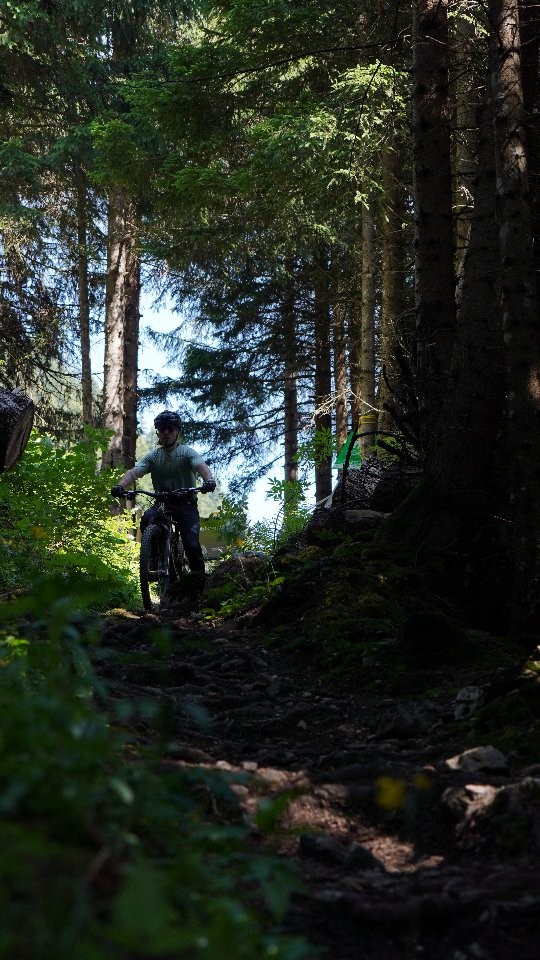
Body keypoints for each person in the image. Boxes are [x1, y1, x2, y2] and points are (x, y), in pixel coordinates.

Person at [110, 410, 216, 579]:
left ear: (177, 431)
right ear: (158, 432)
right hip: (162, 503)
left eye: (170, 428)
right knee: (146, 519)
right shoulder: (154, 457)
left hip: (186, 504)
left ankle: (200, 581)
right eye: (161, 429)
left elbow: (201, 466)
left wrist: (209, 480)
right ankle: (154, 559)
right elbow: (134, 472)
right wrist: (120, 486)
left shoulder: (187, 453)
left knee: (191, 544)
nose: (166, 432)